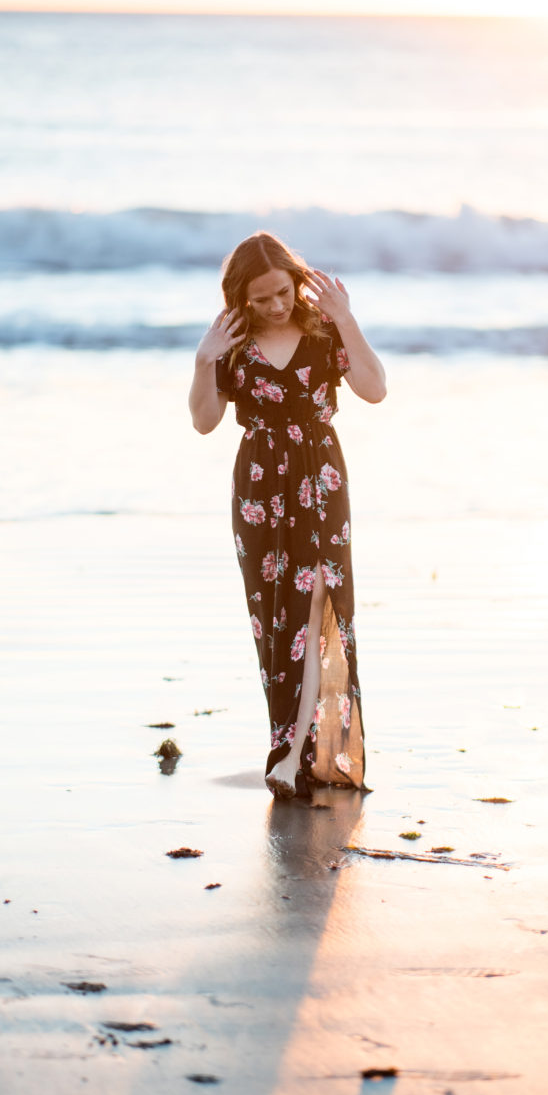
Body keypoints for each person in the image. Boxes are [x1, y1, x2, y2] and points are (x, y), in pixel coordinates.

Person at [189, 232, 386, 801]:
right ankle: (290, 748)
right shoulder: (229, 344)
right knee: (276, 615)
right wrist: (204, 361)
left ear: (295, 282)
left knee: (322, 602)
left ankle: (296, 755)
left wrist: (348, 319)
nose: (276, 305)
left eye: (282, 292)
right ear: (241, 299)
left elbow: (374, 389)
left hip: (321, 478)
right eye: (262, 299)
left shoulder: (325, 330)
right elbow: (204, 421)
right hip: (259, 485)